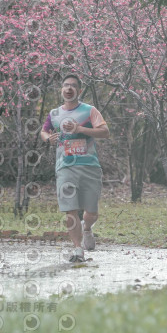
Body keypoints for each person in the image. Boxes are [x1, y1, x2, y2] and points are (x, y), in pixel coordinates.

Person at [40, 74, 109, 262]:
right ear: (61, 90)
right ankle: (78, 249)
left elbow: (105, 131)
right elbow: (44, 131)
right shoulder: (54, 114)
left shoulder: (89, 111)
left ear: (79, 90)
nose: (69, 88)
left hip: (89, 166)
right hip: (65, 167)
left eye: (73, 86)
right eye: (65, 85)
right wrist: (48, 138)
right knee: (70, 209)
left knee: (91, 212)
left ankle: (87, 228)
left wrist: (80, 129)